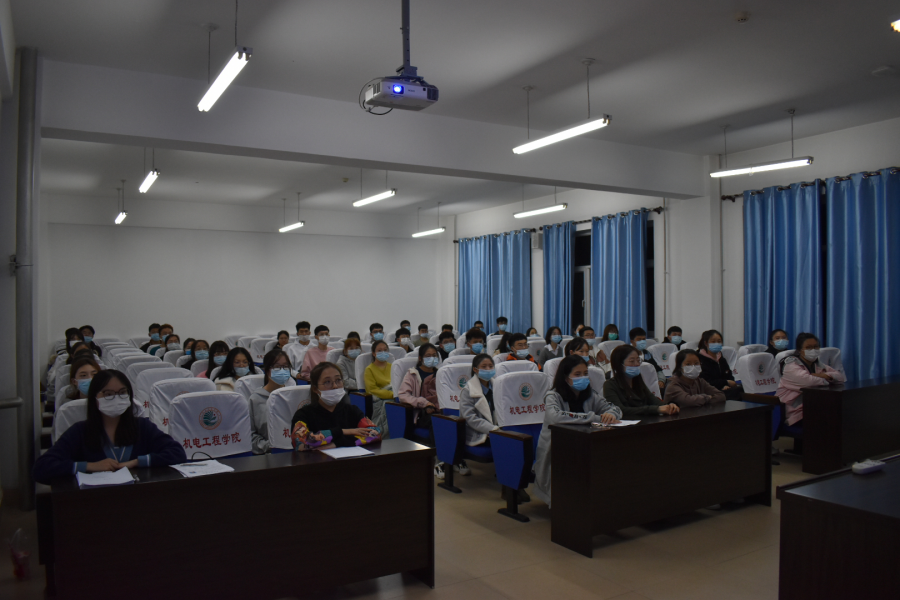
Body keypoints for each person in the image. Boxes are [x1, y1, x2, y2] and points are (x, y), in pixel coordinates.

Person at [33, 369, 186, 483]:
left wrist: (136, 462)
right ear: (95, 398)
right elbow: (42, 468)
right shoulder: (80, 431)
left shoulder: (142, 426)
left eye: (122, 392)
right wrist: (89, 466)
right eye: (108, 394)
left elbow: (177, 453)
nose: (116, 398)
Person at [533, 355, 622, 506]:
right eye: (577, 374)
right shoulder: (553, 395)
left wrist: (611, 415)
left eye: (585, 373)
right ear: (565, 377)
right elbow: (555, 417)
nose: (583, 378)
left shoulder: (590, 394)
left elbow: (615, 409)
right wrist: (594, 417)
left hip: (584, 444)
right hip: (557, 448)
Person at [290, 362, 381, 450]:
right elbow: (301, 441)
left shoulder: (352, 410)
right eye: (327, 382)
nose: (335, 386)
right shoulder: (304, 414)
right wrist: (343, 431)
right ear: (315, 389)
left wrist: (338, 443)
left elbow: (375, 433)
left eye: (338, 380)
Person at [776, 333, 845, 426]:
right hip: (795, 412)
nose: (813, 350)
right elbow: (809, 382)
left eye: (816, 347)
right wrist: (828, 380)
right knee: (829, 420)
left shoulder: (818, 364)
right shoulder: (790, 366)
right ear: (800, 350)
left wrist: (826, 376)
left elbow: (840, 377)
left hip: (813, 407)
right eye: (808, 347)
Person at [455, 354, 501, 478]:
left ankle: (509, 474)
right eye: (484, 366)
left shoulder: (498, 386)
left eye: (491, 366)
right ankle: (506, 475)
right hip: (478, 433)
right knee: (508, 442)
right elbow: (470, 418)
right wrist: (492, 429)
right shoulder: (468, 390)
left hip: (498, 430)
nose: (488, 369)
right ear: (475, 369)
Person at [603, 345, 680, 418]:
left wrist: (669, 406)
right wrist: (656, 409)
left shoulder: (637, 381)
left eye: (638, 360)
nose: (637, 364)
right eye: (632, 361)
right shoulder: (610, 385)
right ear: (619, 364)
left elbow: (654, 401)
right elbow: (620, 410)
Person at [247, 350, 294, 455]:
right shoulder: (255, 399)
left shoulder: (294, 395)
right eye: (277, 367)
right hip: (268, 454)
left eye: (286, 366)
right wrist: (269, 446)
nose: (282, 370)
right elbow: (249, 434)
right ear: (267, 370)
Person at [398, 343, 441, 434]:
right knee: (438, 422)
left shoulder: (441, 373)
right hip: (421, 413)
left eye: (434, 355)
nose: (432, 358)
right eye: (428, 356)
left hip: (440, 410)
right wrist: (424, 403)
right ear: (420, 358)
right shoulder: (412, 374)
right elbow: (403, 395)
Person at [697, 329, 742, 400]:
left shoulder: (721, 359)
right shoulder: (700, 359)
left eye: (719, 341)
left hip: (724, 389)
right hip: (709, 391)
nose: (716, 344)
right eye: (713, 341)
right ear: (706, 343)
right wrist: (725, 383)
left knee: (740, 390)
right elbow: (705, 381)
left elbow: (729, 375)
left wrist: (727, 385)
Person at [364, 340, 394, 434]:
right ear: (374, 353)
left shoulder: (393, 367)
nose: (383, 352)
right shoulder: (369, 369)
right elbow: (372, 390)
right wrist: (392, 394)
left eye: (385, 350)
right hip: (379, 399)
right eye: (380, 350)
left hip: (394, 395)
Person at [630, 327, 665, 391]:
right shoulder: (627, 354)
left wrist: (661, 380)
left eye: (644, 339)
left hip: (649, 383)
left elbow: (657, 369)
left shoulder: (647, 354)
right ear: (632, 341)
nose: (642, 342)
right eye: (639, 339)